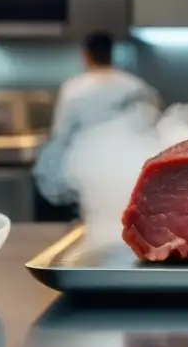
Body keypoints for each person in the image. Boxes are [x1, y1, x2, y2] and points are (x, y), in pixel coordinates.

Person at [32, 31, 162, 220]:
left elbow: (60, 135)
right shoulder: (136, 86)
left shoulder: (74, 88)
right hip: (128, 169)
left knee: (94, 218)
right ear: (112, 53)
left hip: (87, 169)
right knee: (125, 218)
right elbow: (152, 129)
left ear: (86, 55)